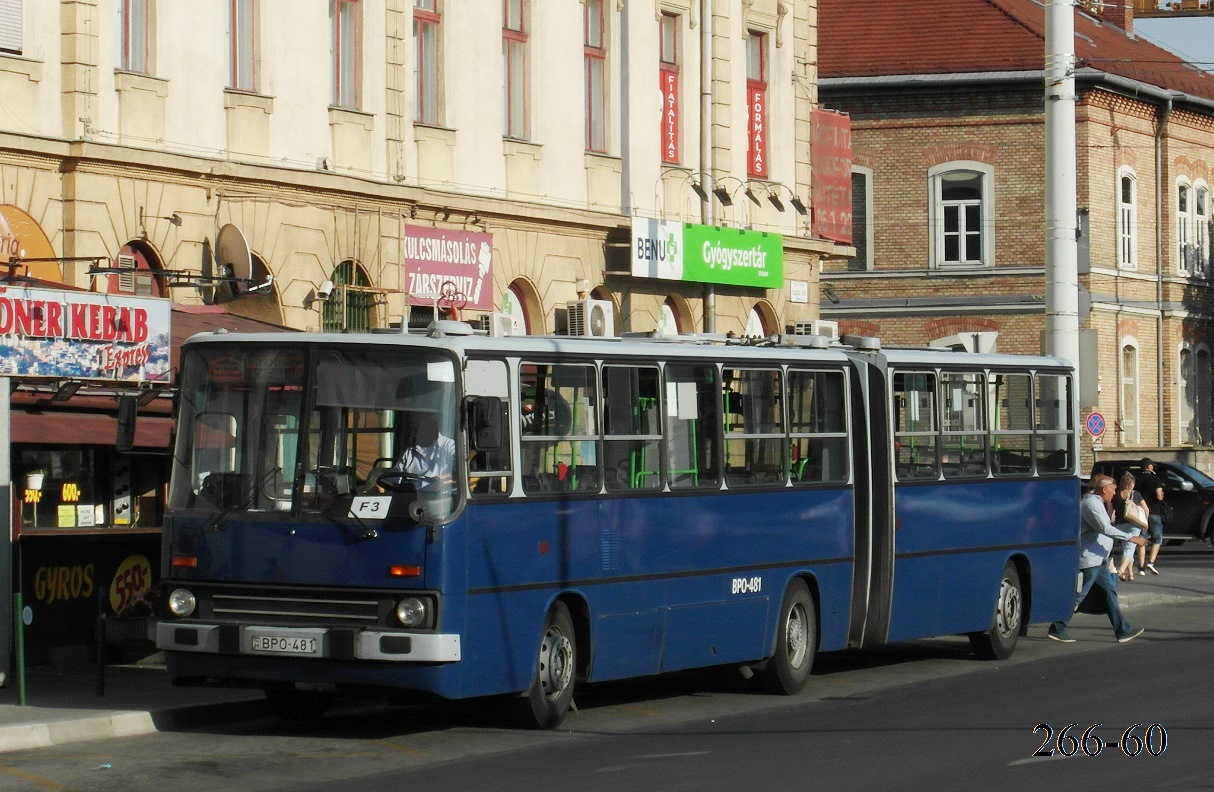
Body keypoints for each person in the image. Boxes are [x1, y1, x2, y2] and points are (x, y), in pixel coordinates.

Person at [1047, 474, 1148, 644]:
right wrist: (1131, 538)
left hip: (1099, 559)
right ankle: (1057, 627)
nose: (1114, 494)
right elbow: (1104, 528)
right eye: (1113, 490)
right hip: (1089, 560)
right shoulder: (1091, 504)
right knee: (1078, 596)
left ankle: (1123, 630)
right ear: (1104, 489)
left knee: (1110, 594)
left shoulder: (1098, 503)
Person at [392, 414, 456, 481]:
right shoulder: (409, 452)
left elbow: (462, 471)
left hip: (443, 491)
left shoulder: (449, 446)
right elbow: (397, 474)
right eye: (415, 428)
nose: (414, 432)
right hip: (412, 490)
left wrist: (443, 480)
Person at [1112, 471, 1147, 581]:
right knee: (1129, 548)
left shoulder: (1116, 495)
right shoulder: (1135, 494)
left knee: (1126, 548)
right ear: (1132, 484)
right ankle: (1121, 570)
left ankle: (1130, 574)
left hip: (1119, 525)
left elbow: (1110, 511)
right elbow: (1146, 508)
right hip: (1134, 524)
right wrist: (1144, 522)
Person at [1135, 458, 1165, 575]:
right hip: (1154, 512)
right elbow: (1159, 496)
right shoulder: (1155, 479)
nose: (1153, 467)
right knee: (1157, 539)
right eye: (1152, 465)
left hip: (1140, 513)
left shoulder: (1136, 478)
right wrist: (1162, 494)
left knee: (1142, 540)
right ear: (1148, 467)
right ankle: (1151, 562)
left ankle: (1141, 568)